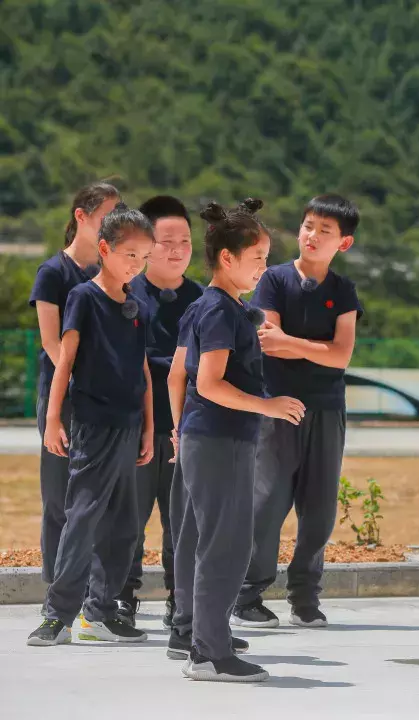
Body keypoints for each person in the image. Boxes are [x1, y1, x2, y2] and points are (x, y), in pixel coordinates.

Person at [167, 198, 305, 682]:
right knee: (224, 546)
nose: (264, 268)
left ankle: (201, 638)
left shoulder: (218, 307)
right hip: (220, 439)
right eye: (258, 259)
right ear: (227, 258)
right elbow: (208, 383)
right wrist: (268, 405)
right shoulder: (220, 311)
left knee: (211, 542)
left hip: (214, 439)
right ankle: (209, 653)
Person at [26, 204, 156, 646]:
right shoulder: (84, 297)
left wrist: (149, 427)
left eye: (144, 257)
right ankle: (56, 615)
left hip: (129, 426)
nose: (137, 265)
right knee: (81, 518)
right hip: (93, 425)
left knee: (124, 526)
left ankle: (97, 614)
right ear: (105, 249)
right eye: (130, 255)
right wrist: (52, 419)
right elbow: (64, 362)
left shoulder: (137, 306)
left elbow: (142, 371)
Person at [232, 194, 361, 629]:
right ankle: (248, 596)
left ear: (344, 243)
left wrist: (295, 344)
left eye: (325, 230)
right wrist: (312, 348)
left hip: (327, 409)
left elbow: (343, 356)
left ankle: (305, 596)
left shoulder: (344, 291)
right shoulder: (273, 280)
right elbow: (268, 339)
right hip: (278, 406)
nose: (312, 235)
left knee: (320, 508)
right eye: (308, 226)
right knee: (267, 502)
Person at [114, 196, 204, 628]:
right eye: (166, 240)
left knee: (182, 523)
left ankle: (179, 600)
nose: (176, 249)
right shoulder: (125, 293)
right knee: (128, 520)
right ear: (147, 244)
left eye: (184, 241)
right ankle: (122, 598)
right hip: (136, 429)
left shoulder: (204, 299)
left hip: (188, 431)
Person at [28, 181, 118, 609]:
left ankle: (97, 594)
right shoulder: (53, 272)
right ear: (81, 217)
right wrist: (78, 379)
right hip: (64, 397)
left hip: (104, 400)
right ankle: (58, 590)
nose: (112, 227)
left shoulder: (112, 272)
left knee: (96, 497)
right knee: (60, 496)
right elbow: (51, 341)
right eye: (106, 217)